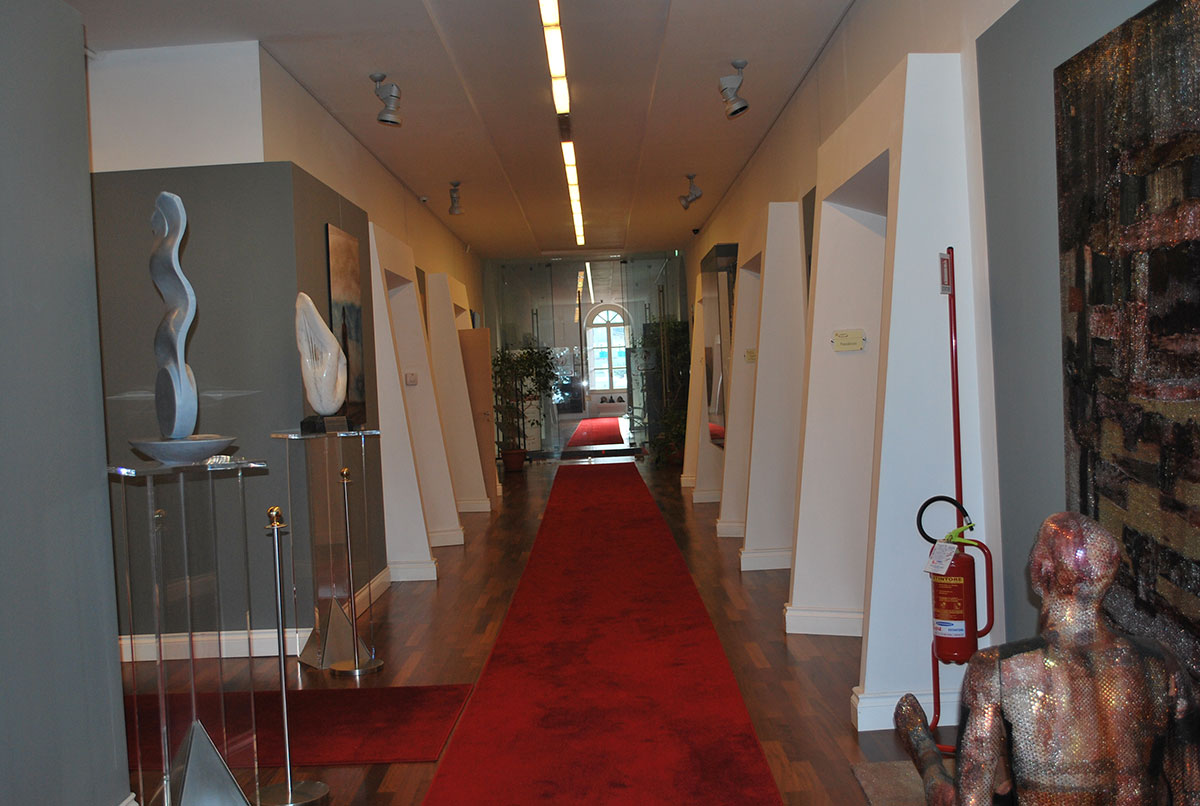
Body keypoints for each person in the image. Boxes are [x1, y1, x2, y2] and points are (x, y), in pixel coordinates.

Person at [894, 512, 1200, 805]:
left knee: (948, 793)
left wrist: (932, 764)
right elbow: (1192, 791)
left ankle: (921, 744)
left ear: (1042, 571)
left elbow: (970, 801)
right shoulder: (1164, 661)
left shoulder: (997, 669)